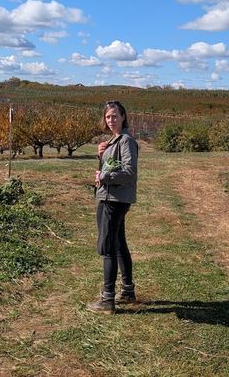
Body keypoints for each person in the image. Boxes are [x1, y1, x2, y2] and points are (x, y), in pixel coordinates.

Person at [87, 100, 138, 314]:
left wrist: (104, 176)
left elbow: (129, 172)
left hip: (113, 200)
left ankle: (107, 299)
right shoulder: (114, 140)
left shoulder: (125, 141)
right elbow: (110, 166)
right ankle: (127, 290)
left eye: (115, 116)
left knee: (108, 247)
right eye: (108, 116)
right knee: (118, 243)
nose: (111, 120)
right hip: (112, 197)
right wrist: (102, 155)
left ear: (123, 116)